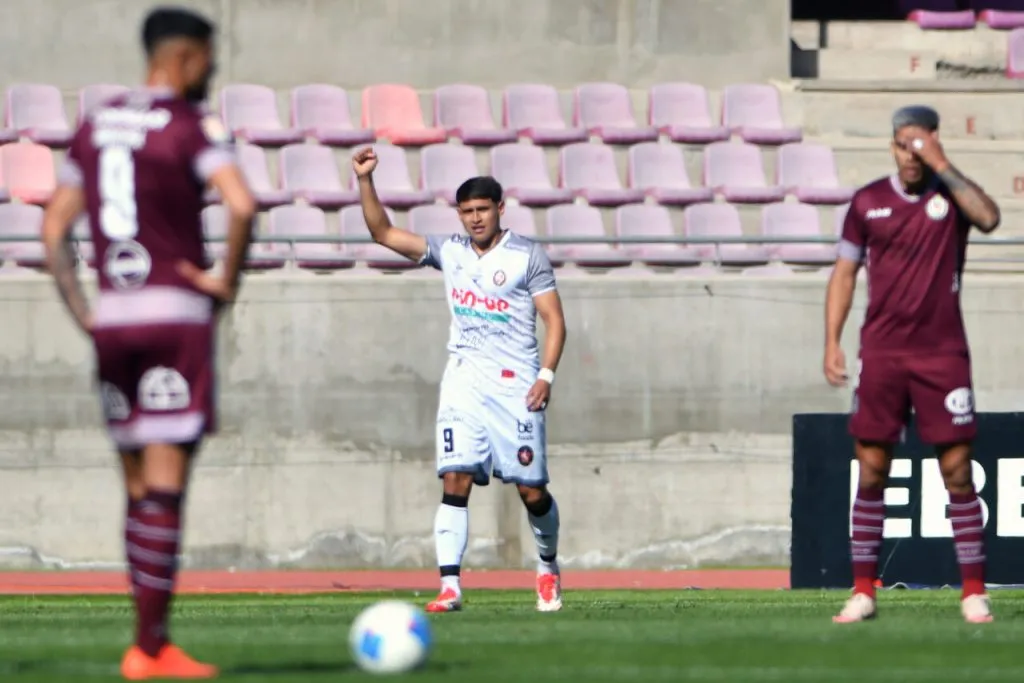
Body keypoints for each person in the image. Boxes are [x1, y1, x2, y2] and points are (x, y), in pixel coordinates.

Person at [41, 6, 255, 679]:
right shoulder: (189, 125)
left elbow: (53, 232)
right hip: (175, 316)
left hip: (114, 317)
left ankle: (148, 642)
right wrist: (224, 282)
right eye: (209, 59)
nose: (211, 71)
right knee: (165, 487)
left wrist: (85, 312)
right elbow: (242, 204)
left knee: (135, 486)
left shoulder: (93, 124)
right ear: (186, 57)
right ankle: (151, 648)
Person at [352, 147, 567, 613]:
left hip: (516, 386)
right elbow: (383, 232)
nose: (474, 219)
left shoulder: (527, 256)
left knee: (531, 490)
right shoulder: (449, 251)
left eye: (482, 210)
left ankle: (547, 566)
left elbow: (555, 321)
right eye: (467, 211)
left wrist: (546, 375)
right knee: (455, 479)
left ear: (500, 208)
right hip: (463, 382)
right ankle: (450, 586)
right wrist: (366, 180)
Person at [824, 105, 1001, 624]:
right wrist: (831, 341)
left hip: (942, 354)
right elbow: (843, 274)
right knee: (873, 468)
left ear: (933, 142)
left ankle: (973, 591)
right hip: (881, 353)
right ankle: (863, 591)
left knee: (958, 472)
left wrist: (942, 161)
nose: (911, 153)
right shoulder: (868, 202)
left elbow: (990, 219)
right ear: (891, 145)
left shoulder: (952, 195)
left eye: (919, 143)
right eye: (903, 143)